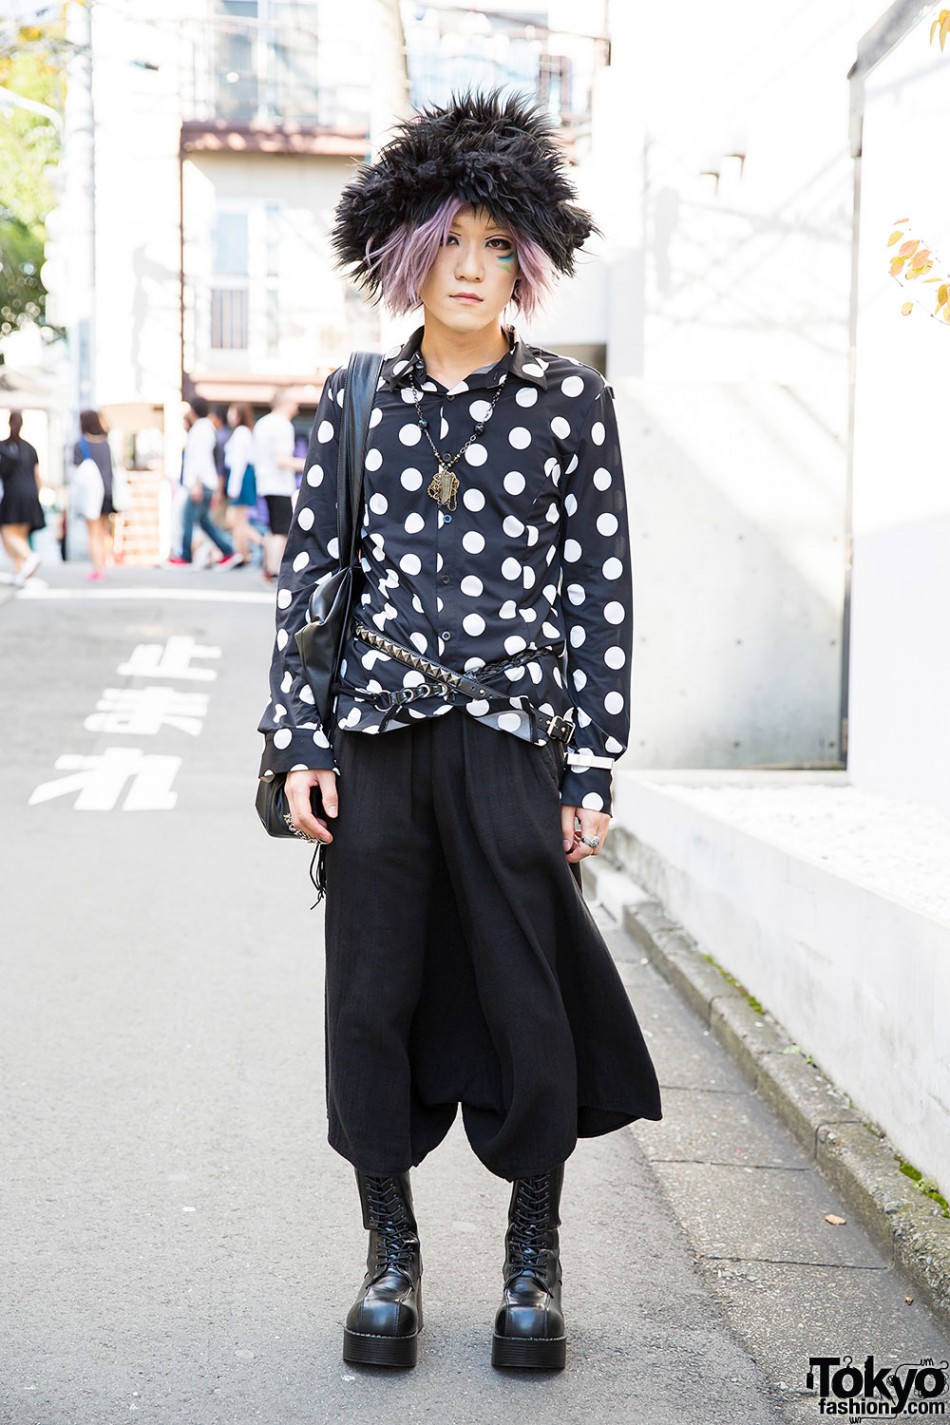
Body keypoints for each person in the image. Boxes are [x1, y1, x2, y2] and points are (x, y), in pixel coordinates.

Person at [258, 91, 661, 1372]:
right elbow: (313, 576)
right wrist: (296, 745)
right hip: (375, 739)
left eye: (497, 244)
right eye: (451, 242)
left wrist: (587, 763)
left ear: (526, 261)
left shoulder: (565, 407)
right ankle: (389, 1258)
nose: (473, 268)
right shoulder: (357, 398)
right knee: (371, 999)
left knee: (523, 995)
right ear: (406, 252)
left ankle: (532, 1263)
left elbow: (598, 589)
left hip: (510, 744)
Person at [169, 397, 238, 567]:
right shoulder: (206, 428)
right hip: (206, 483)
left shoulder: (200, 429)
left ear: (192, 410)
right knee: (205, 522)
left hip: (200, 484)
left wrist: (196, 484)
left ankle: (185, 556)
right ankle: (228, 551)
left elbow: (199, 459)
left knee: (188, 519)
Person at [252, 390, 304, 582]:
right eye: (294, 402)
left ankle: (268, 567)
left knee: (273, 527)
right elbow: (282, 460)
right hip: (279, 483)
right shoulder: (282, 425)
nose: (296, 406)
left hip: (264, 481)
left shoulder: (263, 423)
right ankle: (274, 570)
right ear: (285, 403)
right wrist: (308, 464)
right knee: (281, 529)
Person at [0, 410, 45, 584]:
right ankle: (20, 573)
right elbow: (37, 476)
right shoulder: (30, 449)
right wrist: (36, 496)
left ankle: (29, 557)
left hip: (12, 495)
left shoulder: (3, 447)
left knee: (7, 532)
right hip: (31, 495)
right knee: (20, 534)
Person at [72, 409, 116, 582]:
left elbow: (78, 474)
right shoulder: (106, 444)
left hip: (91, 495)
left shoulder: (80, 444)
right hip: (107, 492)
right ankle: (103, 564)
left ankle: (98, 569)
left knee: (93, 532)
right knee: (104, 532)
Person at [223, 403, 263, 568]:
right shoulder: (244, 432)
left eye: (232, 413)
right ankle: (243, 554)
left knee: (236, 519)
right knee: (237, 520)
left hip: (241, 477)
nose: (229, 416)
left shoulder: (241, 433)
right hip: (242, 476)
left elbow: (238, 462)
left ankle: (263, 542)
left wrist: (233, 488)